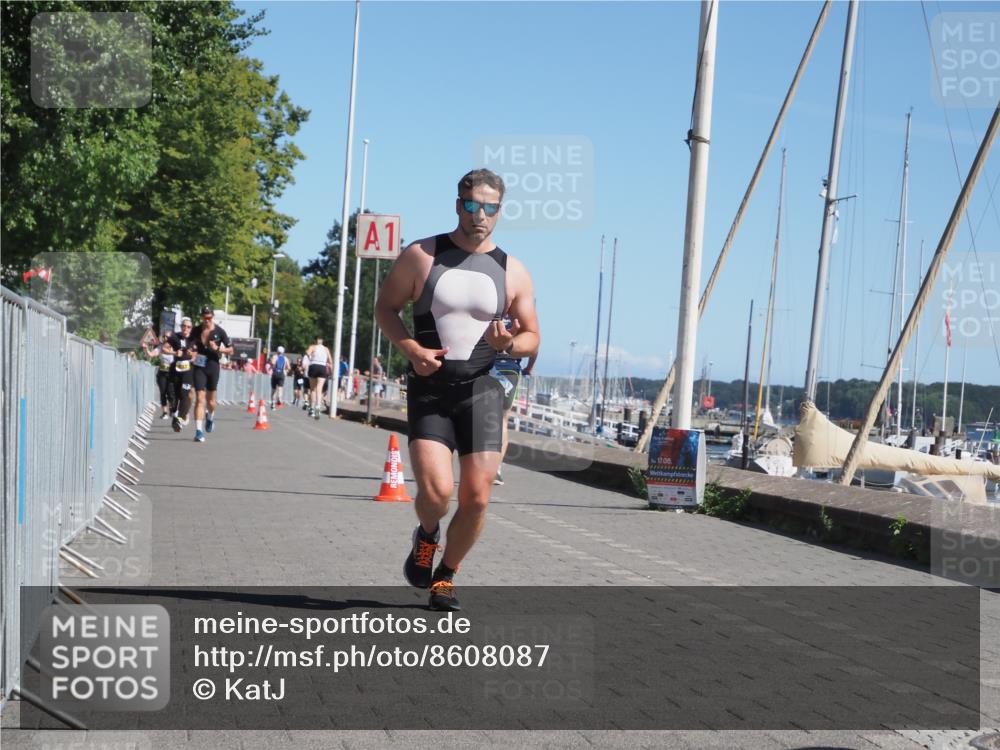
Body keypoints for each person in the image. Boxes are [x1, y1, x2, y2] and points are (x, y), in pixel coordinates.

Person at [374, 168, 540, 611]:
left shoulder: (513, 271)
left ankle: (446, 576)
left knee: (478, 495)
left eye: (489, 207)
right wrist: (411, 349)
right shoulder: (421, 256)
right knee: (435, 494)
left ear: (500, 211)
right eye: (471, 205)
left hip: (482, 390)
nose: (479, 215)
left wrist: (511, 343)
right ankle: (426, 536)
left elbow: (532, 338)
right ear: (457, 205)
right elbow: (385, 309)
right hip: (432, 387)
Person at [190, 306, 233, 442]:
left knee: (211, 401)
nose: (207, 320)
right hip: (199, 366)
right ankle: (198, 431)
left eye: (209, 317)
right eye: (204, 317)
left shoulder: (220, 332)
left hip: (213, 366)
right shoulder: (196, 330)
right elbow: (189, 345)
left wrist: (219, 348)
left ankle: (210, 417)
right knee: (199, 399)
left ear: (212, 316)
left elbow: (231, 350)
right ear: (202, 317)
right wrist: (191, 352)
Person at [163, 317, 196, 432]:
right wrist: (174, 352)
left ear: (191, 328)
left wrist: (193, 355)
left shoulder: (194, 339)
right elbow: (164, 348)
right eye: (184, 326)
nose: (185, 328)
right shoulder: (175, 336)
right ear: (181, 327)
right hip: (176, 370)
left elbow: (198, 353)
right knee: (174, 396)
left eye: (188, 327)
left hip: (188, 371)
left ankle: (179, 419)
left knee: (184, 395)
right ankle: (175, 415)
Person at [143, 332, 175, 420]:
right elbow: (150, 355)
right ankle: (165, 412)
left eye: (167, 337)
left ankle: (172, 409)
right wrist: (146, 349)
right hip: (162, 373)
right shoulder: (160, 348)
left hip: (172, 374)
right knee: (163, 392)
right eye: (164, 336)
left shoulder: (175, 348)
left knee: (171, 393)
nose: (165, 338)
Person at [305, 336, 332, 420]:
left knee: (313, 389)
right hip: (322, 367)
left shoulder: (313, 347)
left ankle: (312, 408)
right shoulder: (326, 349)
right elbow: (330, 361)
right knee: (319, 389)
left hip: (314, 365)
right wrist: (331, 371)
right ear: (322, 341)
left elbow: (307, 353)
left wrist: (310, 356)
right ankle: (318, 408)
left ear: (316, 341)